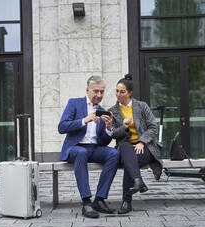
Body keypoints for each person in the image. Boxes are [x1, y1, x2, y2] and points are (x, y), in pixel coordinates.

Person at [58, 75, 120, 218]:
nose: (99, 95)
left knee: (114, 154)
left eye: (102, 92)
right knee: (81, 153)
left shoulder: (103, 111)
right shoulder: (74, 103)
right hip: (75, 148)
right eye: (96, 91)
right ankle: (86, 202)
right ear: (87, 90)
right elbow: (61, 127)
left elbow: (103, 142)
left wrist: (109, 128)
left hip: (94, 148)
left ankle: (99, 199)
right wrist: (85, 120)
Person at [108, 74, 163, 214]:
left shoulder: (141, 106)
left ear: (130, 93)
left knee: (129, 162)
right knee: (126, 149)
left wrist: (142, 142)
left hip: (145, 149)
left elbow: (153, 127)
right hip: (125, 148)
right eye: (117, 91)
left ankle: (127, 202)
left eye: (122, 91)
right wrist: (124, 128)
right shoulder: (112, 112)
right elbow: (113, 133)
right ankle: (138, 181)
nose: (118, 94)